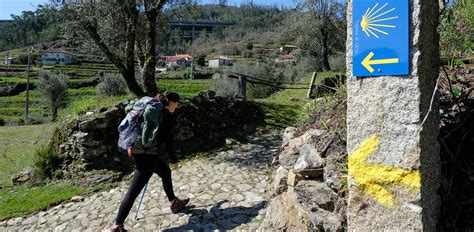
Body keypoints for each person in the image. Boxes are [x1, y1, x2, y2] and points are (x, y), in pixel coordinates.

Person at [111, 92, 190, 232]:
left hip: (138, 150)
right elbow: (168, 141)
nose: (177, 106)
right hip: (147, 156)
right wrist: (174, 160)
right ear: (170, 102)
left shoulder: (151, 106)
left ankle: (174, 202)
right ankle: (117, 225)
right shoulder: (165, 115)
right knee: (133, 192)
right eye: (177, 103)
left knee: (165, 171)